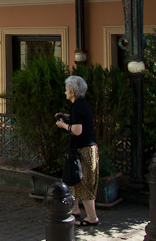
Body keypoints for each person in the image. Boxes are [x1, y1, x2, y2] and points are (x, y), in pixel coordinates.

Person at [55, 75, 99, 227]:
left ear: (72, 92)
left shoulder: (78, 106)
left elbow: (77, 130)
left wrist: (63, 125)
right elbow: (78, 119)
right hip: (85, 148)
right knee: (73, 180)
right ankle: (74, 209)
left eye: (67, 90)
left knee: (83, 182)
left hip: (83, 150)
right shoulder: (82, 104)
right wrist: (66, 116)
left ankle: (92, 218)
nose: (65, 92)